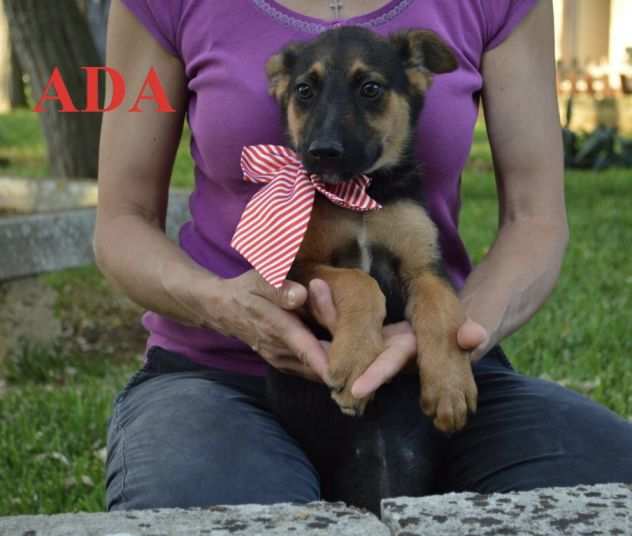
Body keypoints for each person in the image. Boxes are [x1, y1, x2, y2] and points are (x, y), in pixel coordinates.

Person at [96, 0, 632, 511]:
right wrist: (224, 305)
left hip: (433, 370)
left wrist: (454, 338)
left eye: (371, 91)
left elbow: (534, 219)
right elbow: (122, 222)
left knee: (609, 482)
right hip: (221, 374)